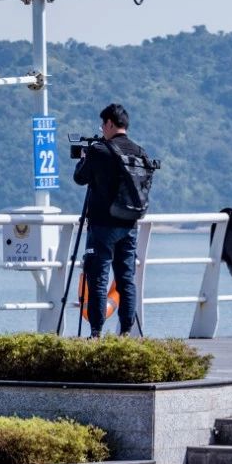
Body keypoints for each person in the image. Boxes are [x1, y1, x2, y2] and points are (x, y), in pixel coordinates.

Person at [73, 102, 149, 338]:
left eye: (102, 125)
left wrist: (85, 157)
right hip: (130, 224)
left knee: (98, 278)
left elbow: (80, 178)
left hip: (103, 225)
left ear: (109, 123)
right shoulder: (139, 151)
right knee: (126, 279)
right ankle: (125, 332)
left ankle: (96, 333)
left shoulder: (99, 150)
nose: (102, 129)